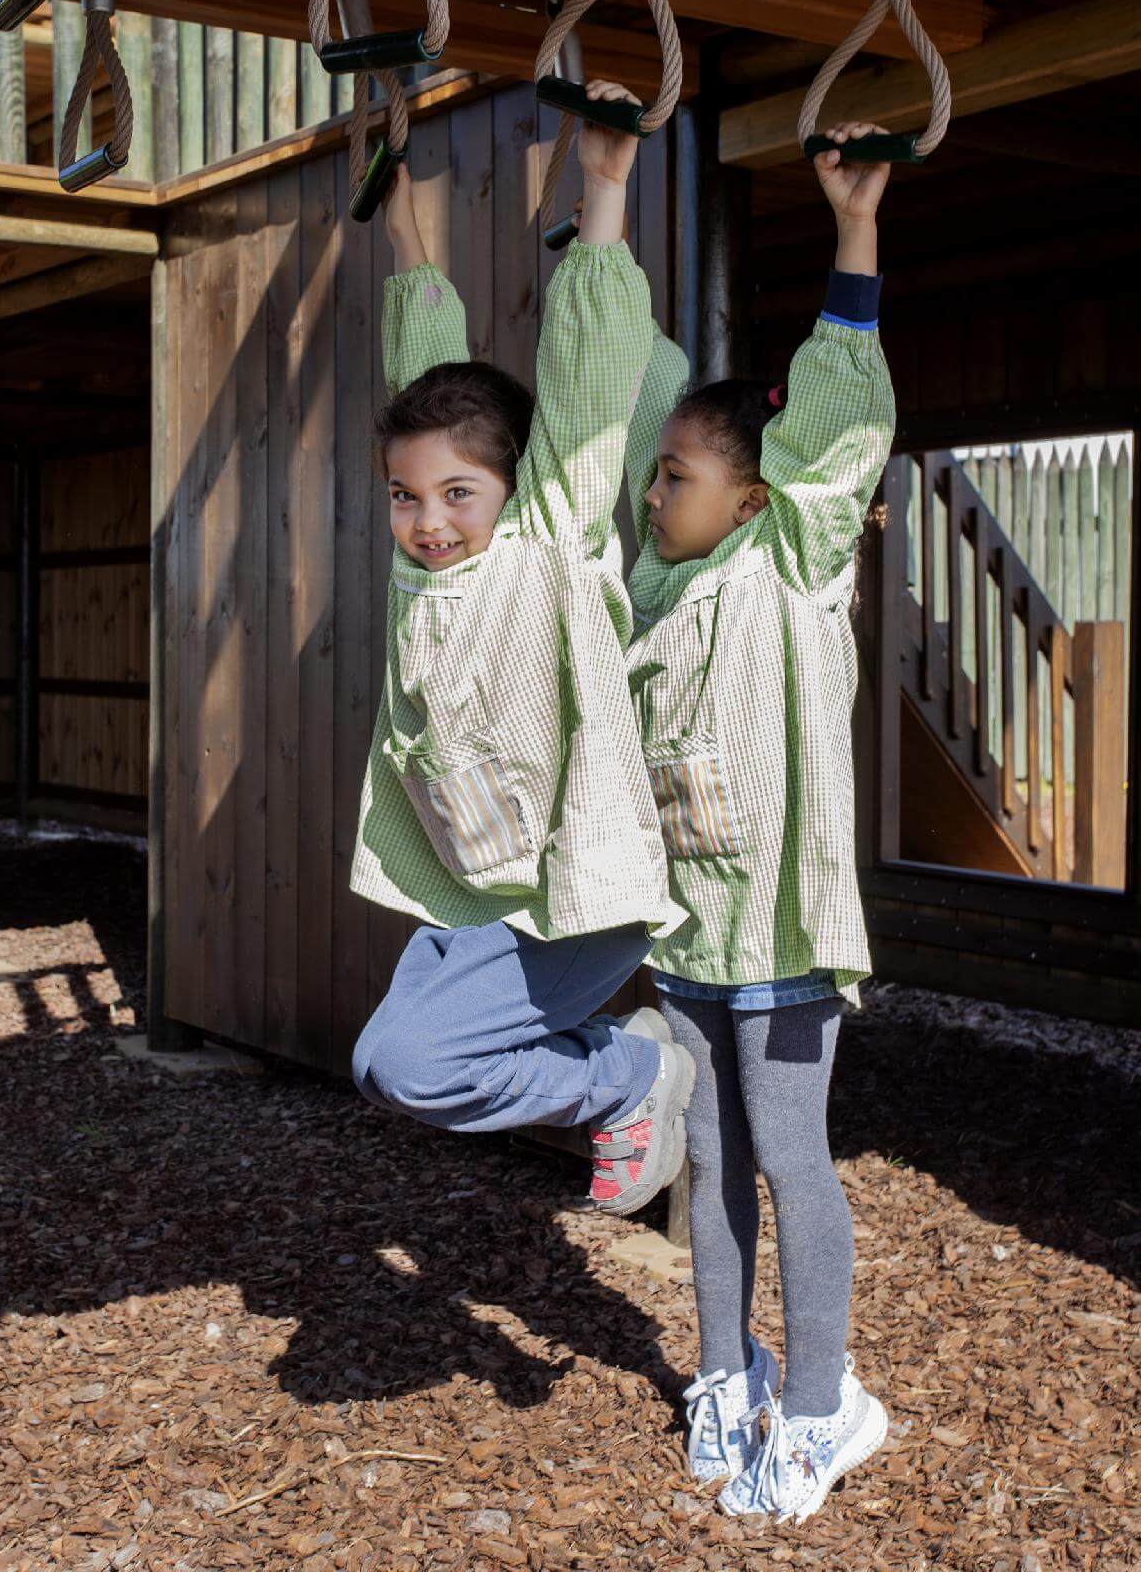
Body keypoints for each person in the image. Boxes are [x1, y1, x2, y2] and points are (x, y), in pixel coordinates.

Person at [350, 85, 694, 1217]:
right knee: (381, 1064)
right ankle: (615, 1061)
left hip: (571, 891)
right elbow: (424, 365)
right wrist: (401, 218)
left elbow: (589, 369)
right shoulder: (420, 569)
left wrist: (604, 184)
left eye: (457, 493)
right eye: (406, 497)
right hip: (471, 891)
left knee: (408, 1066)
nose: (429, 519)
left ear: (516, 486)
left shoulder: (547, 539)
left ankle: (626, 1076)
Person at [622, 123, 898, 1521]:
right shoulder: (656, 595)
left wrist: (852, 231)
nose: (656, 491)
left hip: (785, 929)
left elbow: (840, 420)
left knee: (791, 1153)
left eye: (678, 475)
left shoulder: (790, 562)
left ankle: (823, 1402)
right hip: (693, 936)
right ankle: (726, 1376)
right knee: (714, 1162)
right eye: (659, 471)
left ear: (753, 492)